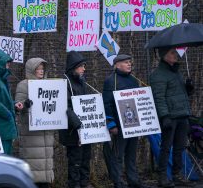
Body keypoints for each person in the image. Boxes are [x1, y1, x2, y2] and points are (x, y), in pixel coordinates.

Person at [150, 47, 193, 187]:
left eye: (175, 52)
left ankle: (176, 175)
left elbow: (180, 94)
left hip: (182, 114)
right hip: (170, 117)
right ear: (164, 56)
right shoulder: (158, 75)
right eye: (172, 53)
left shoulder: (176, 72)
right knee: (166, 147)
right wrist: (165, 116)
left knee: (180, 147)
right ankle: (162, 177)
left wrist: (188, 88)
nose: (175, 55)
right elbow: (159, 97)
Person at [102, 54, 142, 188]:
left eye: (130, 62)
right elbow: (106, 104)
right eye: (126, 62)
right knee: (118, 155)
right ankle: (118, 182)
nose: (129, 64)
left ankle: (133, 180)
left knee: (131, 155)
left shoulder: (133, 80)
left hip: (134, 124)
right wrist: (111, 123)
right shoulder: (110, 81)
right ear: (117, 65)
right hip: (119, 125)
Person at [15, 58, 54, 188]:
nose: (41, 71)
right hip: (31, 135)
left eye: (43, 69)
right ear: (31, 69)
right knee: (34, 173)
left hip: (46, 134)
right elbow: (18, 106)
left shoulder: (48, 85)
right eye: (38, 68)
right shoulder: (23, 85)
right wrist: (25, 105)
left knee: (45, 172)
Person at [59, 51, 94, 188]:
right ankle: (74, 185)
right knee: (75, 161)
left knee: (86, 158)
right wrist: (77, 124)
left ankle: (84, 183)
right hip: (72, 130)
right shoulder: (64, 83)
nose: (84, 69)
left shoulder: (82, 82)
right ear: (74, 67)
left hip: (84, 130)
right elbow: (65, 107)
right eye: (81, 66)